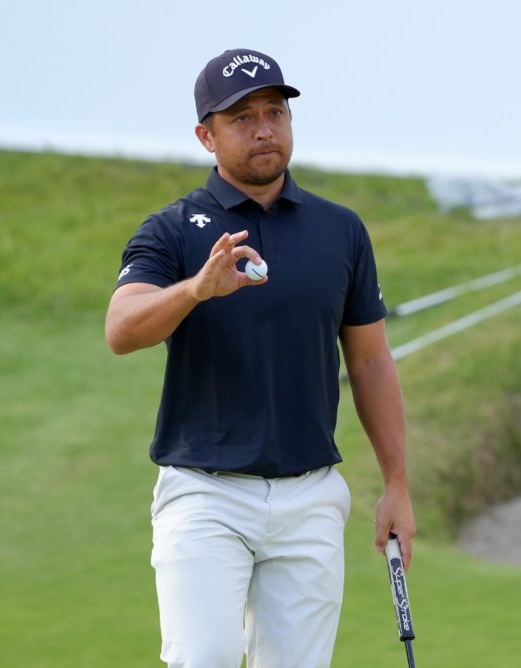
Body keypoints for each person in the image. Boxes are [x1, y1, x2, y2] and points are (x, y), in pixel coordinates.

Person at [104, 48, 415, 668]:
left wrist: (397, 485)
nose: (265, 128)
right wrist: (196, 288)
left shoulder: (341, 230)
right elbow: (122, 329)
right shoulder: (172, 230)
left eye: (275, 111)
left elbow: (372, 362)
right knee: (206, 659)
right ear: (206, 135)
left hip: (311, 496)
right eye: (242, 117)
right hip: (205, 494)